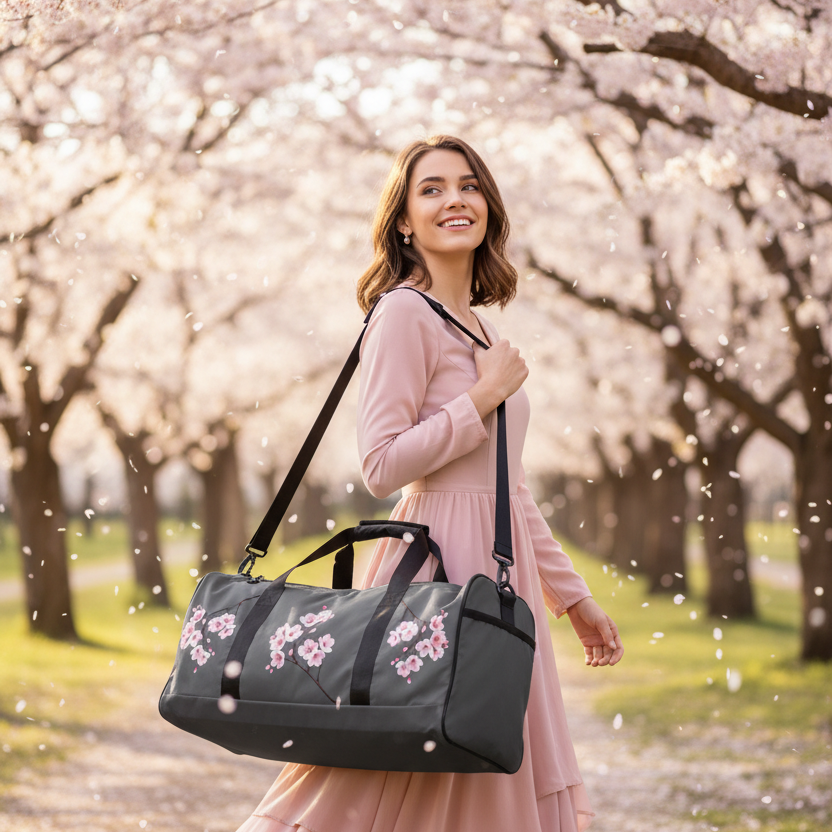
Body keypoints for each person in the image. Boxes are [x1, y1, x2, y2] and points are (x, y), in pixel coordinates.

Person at [236, 135, 623, 832]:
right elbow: (381, 463)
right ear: (405, 221)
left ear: (489, 207)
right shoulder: (402, 313)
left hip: (500, 580)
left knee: (485, 749)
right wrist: (480, 400)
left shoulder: (478, 329)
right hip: (433, 571)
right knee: (403, 763)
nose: (456, 199)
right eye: (434, 188)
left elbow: (512, 491)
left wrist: (574, 597)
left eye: (470, 185)